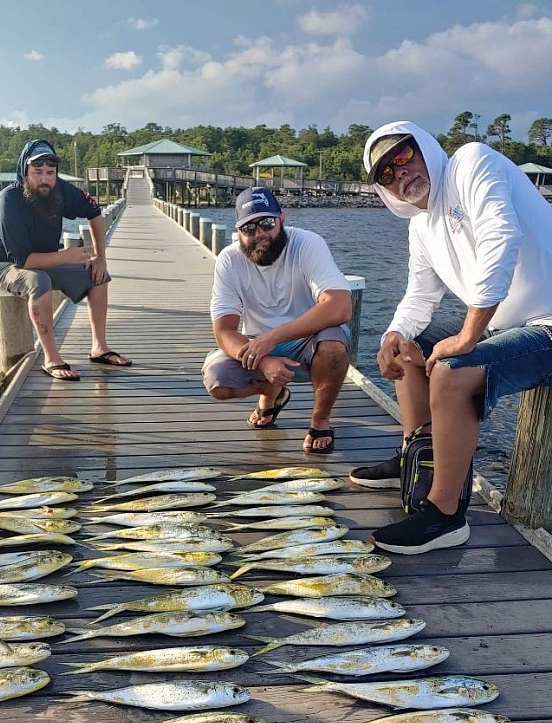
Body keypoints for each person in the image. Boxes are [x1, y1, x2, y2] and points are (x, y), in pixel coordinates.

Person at [349, 120, 552, 554]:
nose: (400, 173)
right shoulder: (421, 226)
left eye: (403, 156)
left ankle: (445, 515)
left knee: (452, 370)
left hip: (548, 325)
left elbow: (502, 237)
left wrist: (468, 335)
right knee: (409, 349)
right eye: (387, 173)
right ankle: (415, 459)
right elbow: (420, 293)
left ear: (425, 146)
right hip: (507, 326)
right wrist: (393, 335)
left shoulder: (471, 163)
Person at [201, 186, 352, 453]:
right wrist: (265, 358)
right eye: (249, 228)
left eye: (267, 223)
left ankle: (320, 421)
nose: (259, 233)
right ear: (238, 232)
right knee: (217, 381)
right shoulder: (229, 260)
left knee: (334, 346)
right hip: (258, 346)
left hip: (308, 340)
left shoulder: (308, 243)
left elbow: (340, 307)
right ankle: (272, 393)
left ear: (283, 218)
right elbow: (224, 331)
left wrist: (272, 338)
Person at [0, 139, 130, 381]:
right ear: (24, 172)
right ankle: (51, 358)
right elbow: (23, 261)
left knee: (98, 275)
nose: (44, 179)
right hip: (3, 263)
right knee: (38, 280)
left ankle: (99, 347)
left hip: (44, 256)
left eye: (50, 173)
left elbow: (94, 213)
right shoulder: (9, 202)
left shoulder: (61, 190)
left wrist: (101, 258)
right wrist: (67, 256)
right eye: (37, 172)